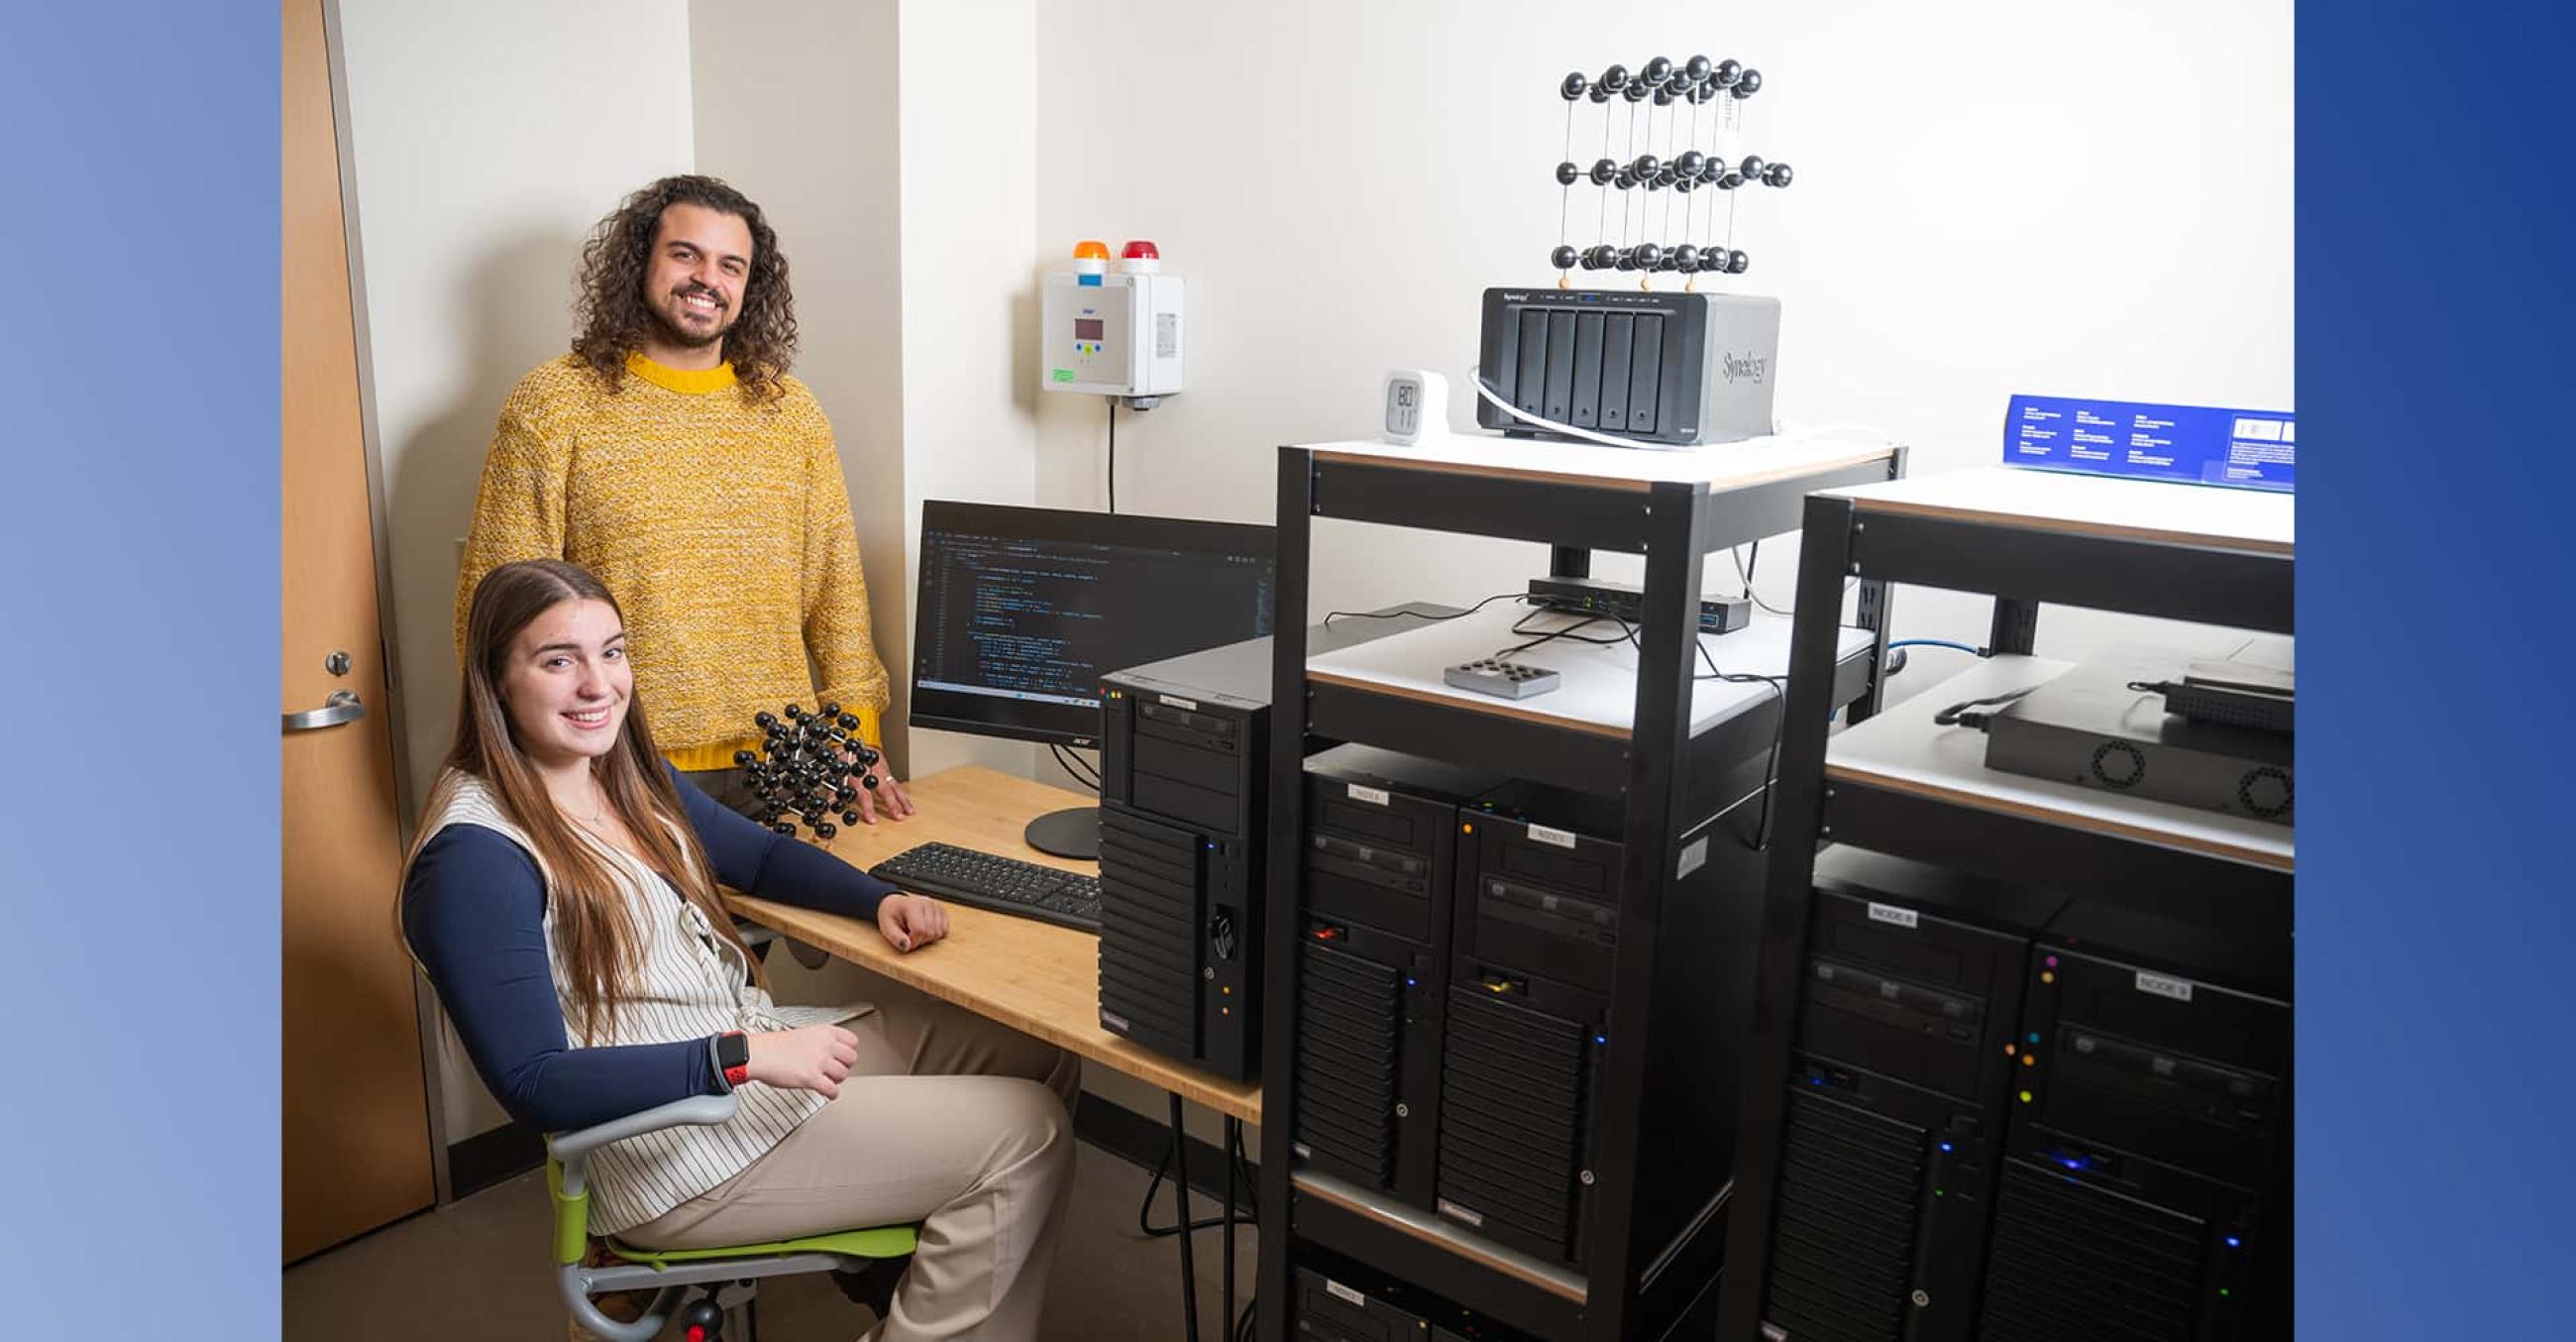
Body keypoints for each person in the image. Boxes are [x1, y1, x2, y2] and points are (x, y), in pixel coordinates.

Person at [404, 559, 1076, 1341]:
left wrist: (878, 897)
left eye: (612, 652)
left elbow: (755, 857)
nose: (598, 685)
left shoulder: (620, 771)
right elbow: (532, 1082)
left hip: (745, 1066)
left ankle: (920, 1275)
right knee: (1028, 1132)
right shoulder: (475, 857)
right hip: (673, 1141)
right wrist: (739, 1056)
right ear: (495, 679)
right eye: (559, 660)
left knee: (1034, 1053)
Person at [453, 173, 912, 823]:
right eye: (685, 254)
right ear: (641, 259)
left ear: (750, 287)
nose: (708, 279)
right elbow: (495, 602)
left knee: (845, 918)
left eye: (731, 265)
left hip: (787, 759)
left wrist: (857, 738)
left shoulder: (791, 413)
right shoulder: (553, 405)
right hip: (621, 760)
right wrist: (534, 764)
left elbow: (834, 588)